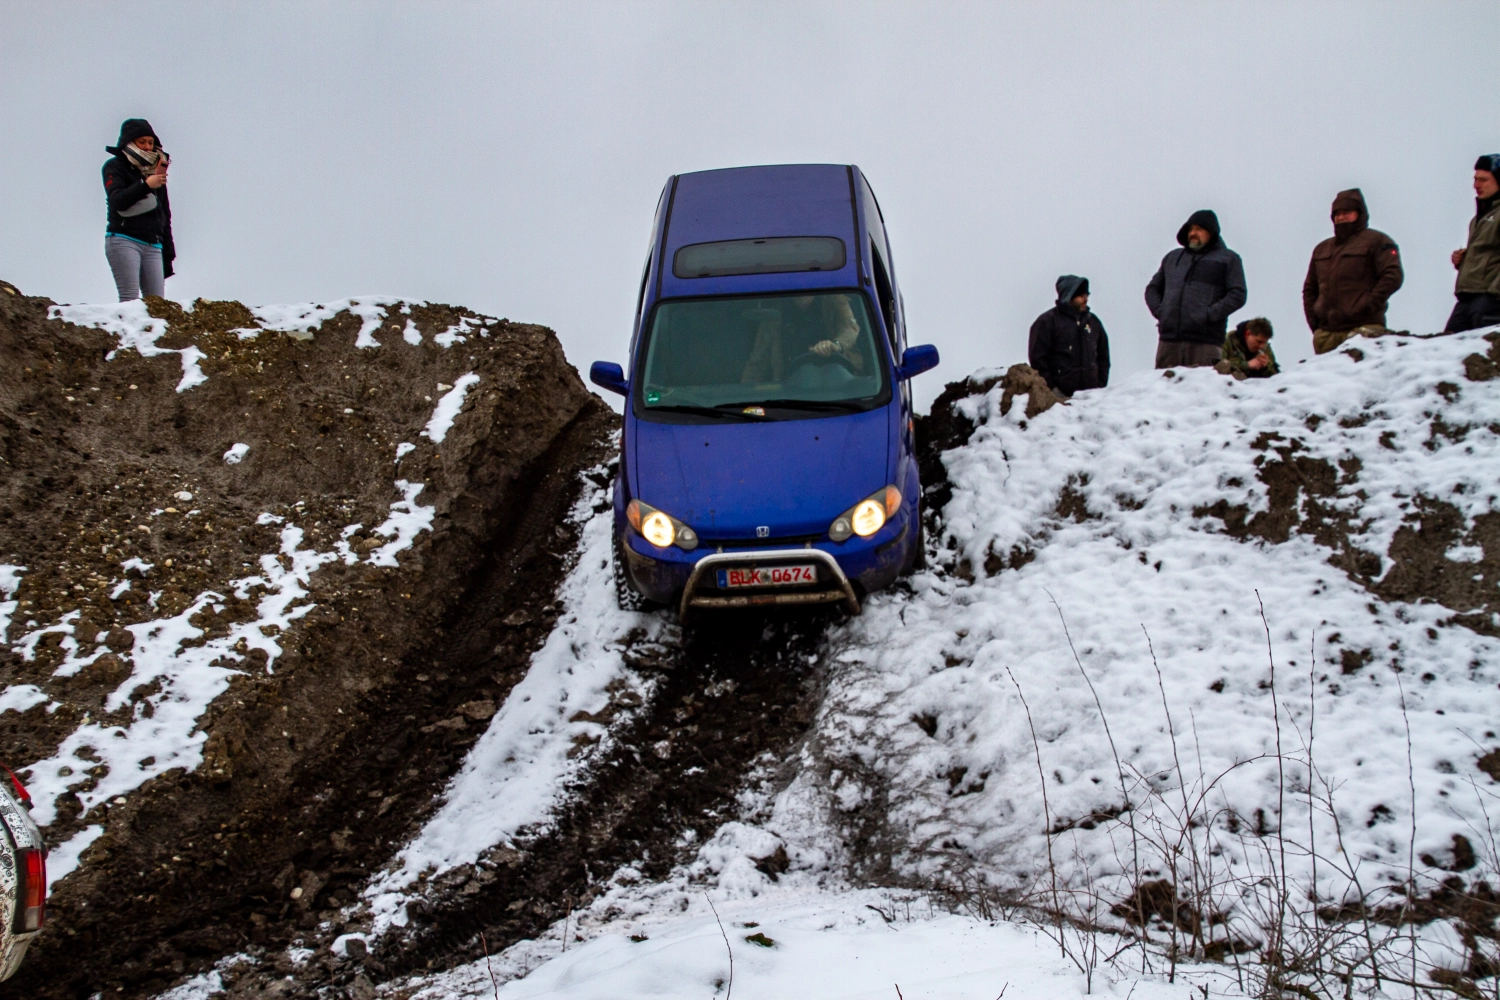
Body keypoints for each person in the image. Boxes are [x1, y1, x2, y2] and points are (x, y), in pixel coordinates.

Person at [1302, 189, 1404, 354]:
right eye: (1337, 213)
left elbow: (1393, 276)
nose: (1341, 217)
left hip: (1364, 330)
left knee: (1363, 379)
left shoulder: (1378, 241)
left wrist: (1368, 305)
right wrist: (1315, 324)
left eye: (1347, 212)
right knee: (1326, 380)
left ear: (1360, 213)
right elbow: (1309, 289)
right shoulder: (1321, 249)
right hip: (1326, 335)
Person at [1144, 209, 1247, 368]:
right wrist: (1161, 311)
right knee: (1163, 391)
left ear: (1211, 232)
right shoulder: (1172, 258)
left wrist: (1209, 314)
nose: (1193, 233)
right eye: (1190, 229)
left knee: (1202, 392)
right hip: (1169, 342)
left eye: (1199, 229)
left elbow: (1238, 294)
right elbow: (1152, 289)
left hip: (1206, 344)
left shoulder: (1229, 259)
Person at [103, 119, 175, 302]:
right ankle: (122, 330)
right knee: (130, 299)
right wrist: (145, 184)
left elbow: (164, 213)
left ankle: (149, 331)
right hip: (123, 239)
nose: (147, 147)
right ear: (129, 142)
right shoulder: (114, 167)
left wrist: (168, 252)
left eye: (150, 142)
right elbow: (118, 201)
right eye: (141, 141)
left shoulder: (156, 172)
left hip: (153, 244)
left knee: (158, 305)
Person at [740, 294, 863, 383]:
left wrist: (836, 345)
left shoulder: (834, 300)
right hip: (791, 391)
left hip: (839, 386)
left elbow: (850, 327)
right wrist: (743, 396)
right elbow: (758, 361)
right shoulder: (775, 313)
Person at [1027, 274, 1109, 397]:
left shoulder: (1094, 322)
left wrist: (1100, 387)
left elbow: (1103, 357)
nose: (1085, 299)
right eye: (1081, 296)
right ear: (1069, 295)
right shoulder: (1047, 322)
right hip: (1058, 404)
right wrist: (1053, 391)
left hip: (1092, 400)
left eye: (1087, 295)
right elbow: (1038, 360)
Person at [1445, 155, 1500, 333]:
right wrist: (1464, 260)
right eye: (1475, 179)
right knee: (1447, 349)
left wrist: (1495, 295)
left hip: (1489, 299)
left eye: (1483, 180)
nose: (1476, 185)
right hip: (1468, 297)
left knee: (1484, 352)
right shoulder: (1478, 219)